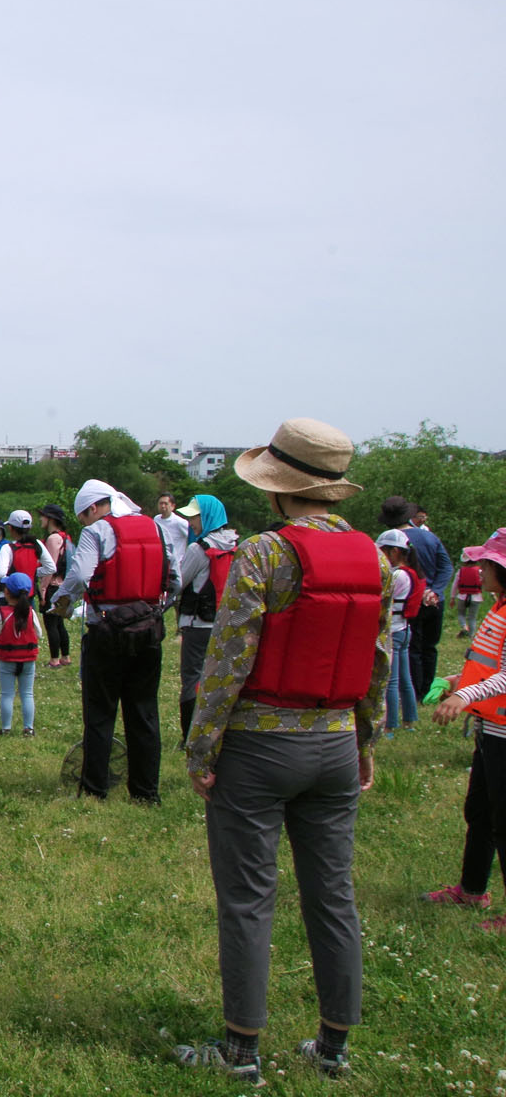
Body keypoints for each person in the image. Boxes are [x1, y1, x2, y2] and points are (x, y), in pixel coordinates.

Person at [175, 417, 386, 1082]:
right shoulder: (375, 558)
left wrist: (201, 747)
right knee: (333, 895)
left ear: (277, 488)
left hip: (260, 747)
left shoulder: (263, 554)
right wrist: (366, 738)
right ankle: (334, 1047)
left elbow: (227, 661)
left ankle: (241, 1051)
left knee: (248, 898)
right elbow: (375, 660)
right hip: (334, 743)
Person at [51, 480, 178, 804]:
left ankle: (95, 789)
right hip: (148, 631)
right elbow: (174, 577)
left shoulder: (97, 532)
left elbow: (79, 576)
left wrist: (63, 602)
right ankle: (146, 793)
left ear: (93, 508)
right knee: (144, 713)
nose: (84, 524)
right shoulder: (155, 528)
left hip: (107, 633)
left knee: (100, 713)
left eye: (83, 517)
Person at [422, 526, 506, 932]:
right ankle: (472, 890)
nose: (478, 568)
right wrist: (460, 680)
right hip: (490, 730)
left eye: (485, 562)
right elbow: (489, 664)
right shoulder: (498, 606)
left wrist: (466, 697)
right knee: (480, 813)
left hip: (503, 733)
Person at [174, 495, 239, 746]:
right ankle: (218, 732)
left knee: (192, 679)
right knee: (222, 679)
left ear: (209, 517)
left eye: (195, 517)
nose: (191, 522)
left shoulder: (198, 549)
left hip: (197, 625)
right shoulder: (236, 545)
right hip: (226, 623)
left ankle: (190, 736)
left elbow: (179, 582)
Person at [382, 497, 454, 704]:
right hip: (434, 601)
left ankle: (413, 692)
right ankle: (426, 689)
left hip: (409, 601)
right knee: (430, 647)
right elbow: (446, 567)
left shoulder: (393, 541)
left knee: (412, 648)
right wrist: (436, 591)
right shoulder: (430, 537)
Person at [376, 528, 423, 735]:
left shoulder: (397, 575)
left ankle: (390, 725)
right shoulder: (412, 573)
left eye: (384, 552)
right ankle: (410, 721)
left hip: (393, 631)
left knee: (391, 681)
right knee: (406, 678)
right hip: (405, 629)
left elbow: (382, 598)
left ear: (395, 552)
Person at [0, 573, 41, 736]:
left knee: (7, 694)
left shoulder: (0, 613)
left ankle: (6, 728)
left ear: (7, 592)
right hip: (28, 659)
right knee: (27, 693)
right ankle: (28, 728)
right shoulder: (31, 613)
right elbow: (39, 633)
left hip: (7, 659)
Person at [38, 504, 74, 669]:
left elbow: (49, 568)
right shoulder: (66, 537)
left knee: (51, 623)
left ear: (51, 519)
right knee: (59, 623)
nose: (41, 519)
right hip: (63, 586)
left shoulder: (53, 539)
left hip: (52, 586)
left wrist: (43, 590)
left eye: (43, 516)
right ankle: (65, 656)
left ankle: (54, 660)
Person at [0, 509, 57, 594]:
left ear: (11, 528)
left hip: (10, 596)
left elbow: (0, 573)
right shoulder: (37, 544)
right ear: (29, 528)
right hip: (29, 595)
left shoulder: (8, 548)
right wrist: (33, 572)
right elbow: (51, 568)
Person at [153, 492, 191, 581]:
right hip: (161, 562)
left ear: (173, 506)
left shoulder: (180, 522)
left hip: (175, 565)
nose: (163, 506)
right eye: (160, 503)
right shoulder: (156, 519)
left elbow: (192, 537)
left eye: (166, 503)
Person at [456, 548, 485, 638]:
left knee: (461, 614)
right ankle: (471, 636)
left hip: (462, 596)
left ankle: (464, 626)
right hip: (476, 597)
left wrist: (452, 597)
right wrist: (493, 594)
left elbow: (454, 585)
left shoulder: (460, 571)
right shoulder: (480, 571)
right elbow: (485, 582)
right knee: (472, 617)